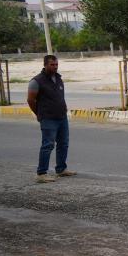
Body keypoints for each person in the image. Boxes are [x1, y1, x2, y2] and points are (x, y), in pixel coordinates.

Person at [28, 55, 75, 183]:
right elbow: (30, 100)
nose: (55, 67)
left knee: (63, 143)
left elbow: (60, 96)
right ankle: (41, 173)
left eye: (56, 65)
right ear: (45, 65)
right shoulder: (36, 81)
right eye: (52, 65)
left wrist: (64, 108)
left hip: (61, 117)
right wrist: (38, 113)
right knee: (48, 145)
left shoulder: (59, 79)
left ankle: (61, 169)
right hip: (48, 118)